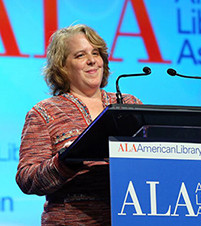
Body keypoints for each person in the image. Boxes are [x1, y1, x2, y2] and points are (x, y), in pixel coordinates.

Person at [16, 24, 142, 225]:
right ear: (62, 67)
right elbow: (27, 179)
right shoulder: (44, 113)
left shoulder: (129, 105)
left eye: (96, 53)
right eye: (80, 55)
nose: (92, 60)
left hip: (129, 217)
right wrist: (64, 162)